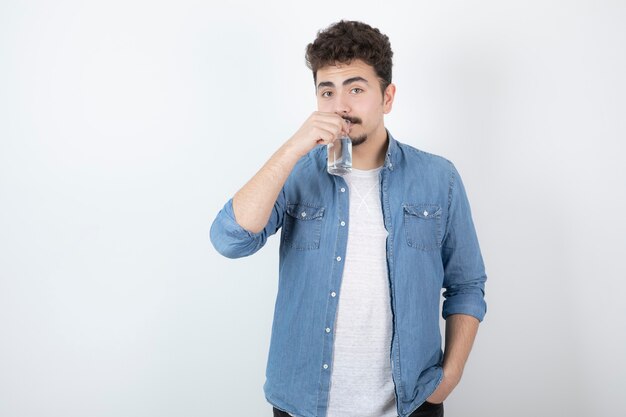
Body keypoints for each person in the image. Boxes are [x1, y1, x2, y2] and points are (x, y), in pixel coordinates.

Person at [210, 20, 487, 417]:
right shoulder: (297, 173)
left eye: (356, 89)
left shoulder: (438, 178)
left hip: (410, 405)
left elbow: (466, 284)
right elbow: (229, 239)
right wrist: (292, 149)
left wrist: (451, 376)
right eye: (327, 91)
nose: (341, 105)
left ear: (387, 97)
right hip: (304, 404)